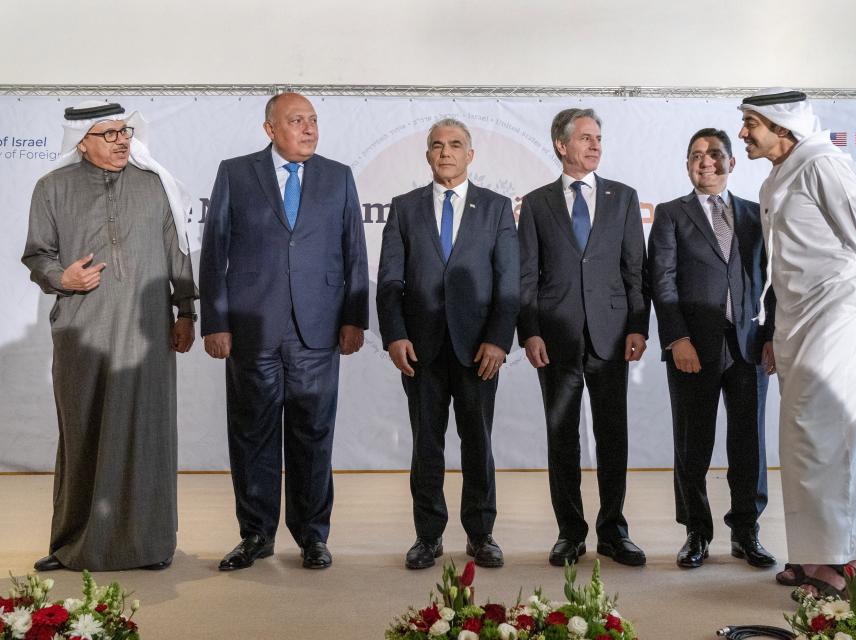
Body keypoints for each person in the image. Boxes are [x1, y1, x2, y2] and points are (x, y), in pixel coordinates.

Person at [22, 101, 197, 572]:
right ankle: (71, 543)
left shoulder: (155, 185)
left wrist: (185, 313)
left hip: (145, 335)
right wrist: (63, 279)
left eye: (125, 132)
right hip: (83, 330)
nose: (123, 140)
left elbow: (178, 255)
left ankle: (150, 543)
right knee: (83, 432)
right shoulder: (52, 188)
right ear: (82, 141)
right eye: (110, 134)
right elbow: (37, 254)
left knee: (148, 433)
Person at [737, 89, 856, 595]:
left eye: (751, 124)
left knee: (835, 434)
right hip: (798, 319)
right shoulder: (777, 178)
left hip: (836, 315)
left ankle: (844, 563)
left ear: (783, 128)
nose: (744, 133)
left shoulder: (823, 165)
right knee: (804, 438)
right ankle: (812, 554)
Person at [199, 92, 368, 571]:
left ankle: (313, 536)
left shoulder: (338, 177)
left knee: (314, 434)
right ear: (270, 128)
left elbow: (355, 251)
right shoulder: (236, 172)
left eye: (313, 120)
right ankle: (255, 535)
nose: (310, 129)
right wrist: (217, 322)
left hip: (319, 331)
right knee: (252, 435)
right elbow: (214, 253)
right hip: (252, 330)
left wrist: (355, 317)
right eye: (297, 121)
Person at [377, 118, 519, 570]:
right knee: (427, 446)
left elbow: (508, 284)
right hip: (420, 350)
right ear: (427, 155)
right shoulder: (404, 208)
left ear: (470, 155)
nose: (446, 152)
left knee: (478, 443)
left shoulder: (496, 208)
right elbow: (389, 281)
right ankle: (428, 536)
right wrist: (395, 335)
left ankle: (481, 535)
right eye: (437, 145)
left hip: (479, 350)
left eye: (455, 145)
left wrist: (499, 340)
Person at [517, 108, 650, 567]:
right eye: (586, 138)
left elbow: (636, 270)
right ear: (562, 144)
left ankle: (614, 531)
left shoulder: (624, 198)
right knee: (562, 438)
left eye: (599, 138)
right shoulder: (536, 203)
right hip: (555, 340)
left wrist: (638, 325)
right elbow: (526, 276)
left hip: (612, 337)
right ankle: (570, 533)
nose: (595, 145)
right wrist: (529, 331)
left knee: (614, 436)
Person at [648, 128, 776, 570]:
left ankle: (746, 532)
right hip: (692, 348)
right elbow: (661, 282)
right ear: (687, 165)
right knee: (692, 444)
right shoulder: (670, 214)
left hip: (748, 346)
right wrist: (677, 338)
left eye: (715, 154)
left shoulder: (754, 214)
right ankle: (696, 533)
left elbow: (773, 279)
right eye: (697, 155)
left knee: (749, 445)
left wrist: (773, 334)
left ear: (731, 163)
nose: (707, 162)